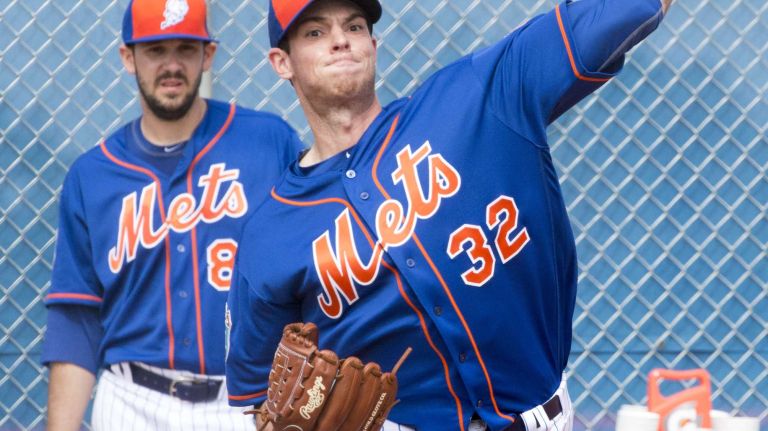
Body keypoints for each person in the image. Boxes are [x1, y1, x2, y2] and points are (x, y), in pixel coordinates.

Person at [225, 0, 673, 430]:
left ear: (374, 46)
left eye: (355, 26)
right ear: (281, 63)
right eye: (316, 32)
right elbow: (255, 399)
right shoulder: (270, 235)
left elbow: (628, 8)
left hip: (544, 416)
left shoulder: (474, 97)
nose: (341, 40)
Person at [41, 0, 302, 429]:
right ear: (129, 58)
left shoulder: (268, 141)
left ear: (208, 55)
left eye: (185, 48)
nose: (172, 64)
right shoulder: (93, 175)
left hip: (244, 402)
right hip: (130, 402)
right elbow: (77, 317)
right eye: (155, 50)